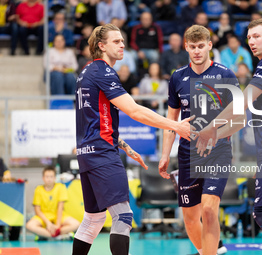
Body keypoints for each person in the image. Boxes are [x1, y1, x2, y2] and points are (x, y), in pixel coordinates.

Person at [72, 23, 191, 255]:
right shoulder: (103, 71)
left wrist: (123, 145)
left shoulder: (86, 72)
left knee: (94, 219)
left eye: (123, 41)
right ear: (101, 45)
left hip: (88, 153)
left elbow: (95, 119)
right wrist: (175, 125)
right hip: (102, 154)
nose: (122, 45)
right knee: (124, 216)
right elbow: (135, 111)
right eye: (116, 41)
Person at [196, 18, 262, 255]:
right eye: (249, 37)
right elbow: (243, 119)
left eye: (257, 36)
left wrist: (211, 127)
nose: (251, 42)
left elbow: (242, 102)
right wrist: (216, 135)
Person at [158, 24, 241, 255]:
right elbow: (171, 121)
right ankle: (212, 250)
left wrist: (217, 133)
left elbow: (239, 116)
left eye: (201, 46)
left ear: (210, 46)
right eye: (192, 47)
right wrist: (165, 155)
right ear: (186, 47)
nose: (197, 51)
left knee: (209, 210)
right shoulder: (177, 77)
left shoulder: (225, 74)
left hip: (218, 151)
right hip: (187, 154)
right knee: (191, 219)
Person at [26, 166, 80, 240]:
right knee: (29, 225)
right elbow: (37, 210)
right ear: (43, 178)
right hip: (44, 217)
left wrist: (57, 226)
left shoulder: (61, 187)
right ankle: (58, 235)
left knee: (76, 224)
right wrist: (48, 223)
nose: (49, 179)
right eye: (47, 177)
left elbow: (60, 208)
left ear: (55, 178)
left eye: (51, 177)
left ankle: (46, 234)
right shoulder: (38, 189)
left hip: (58, 216)